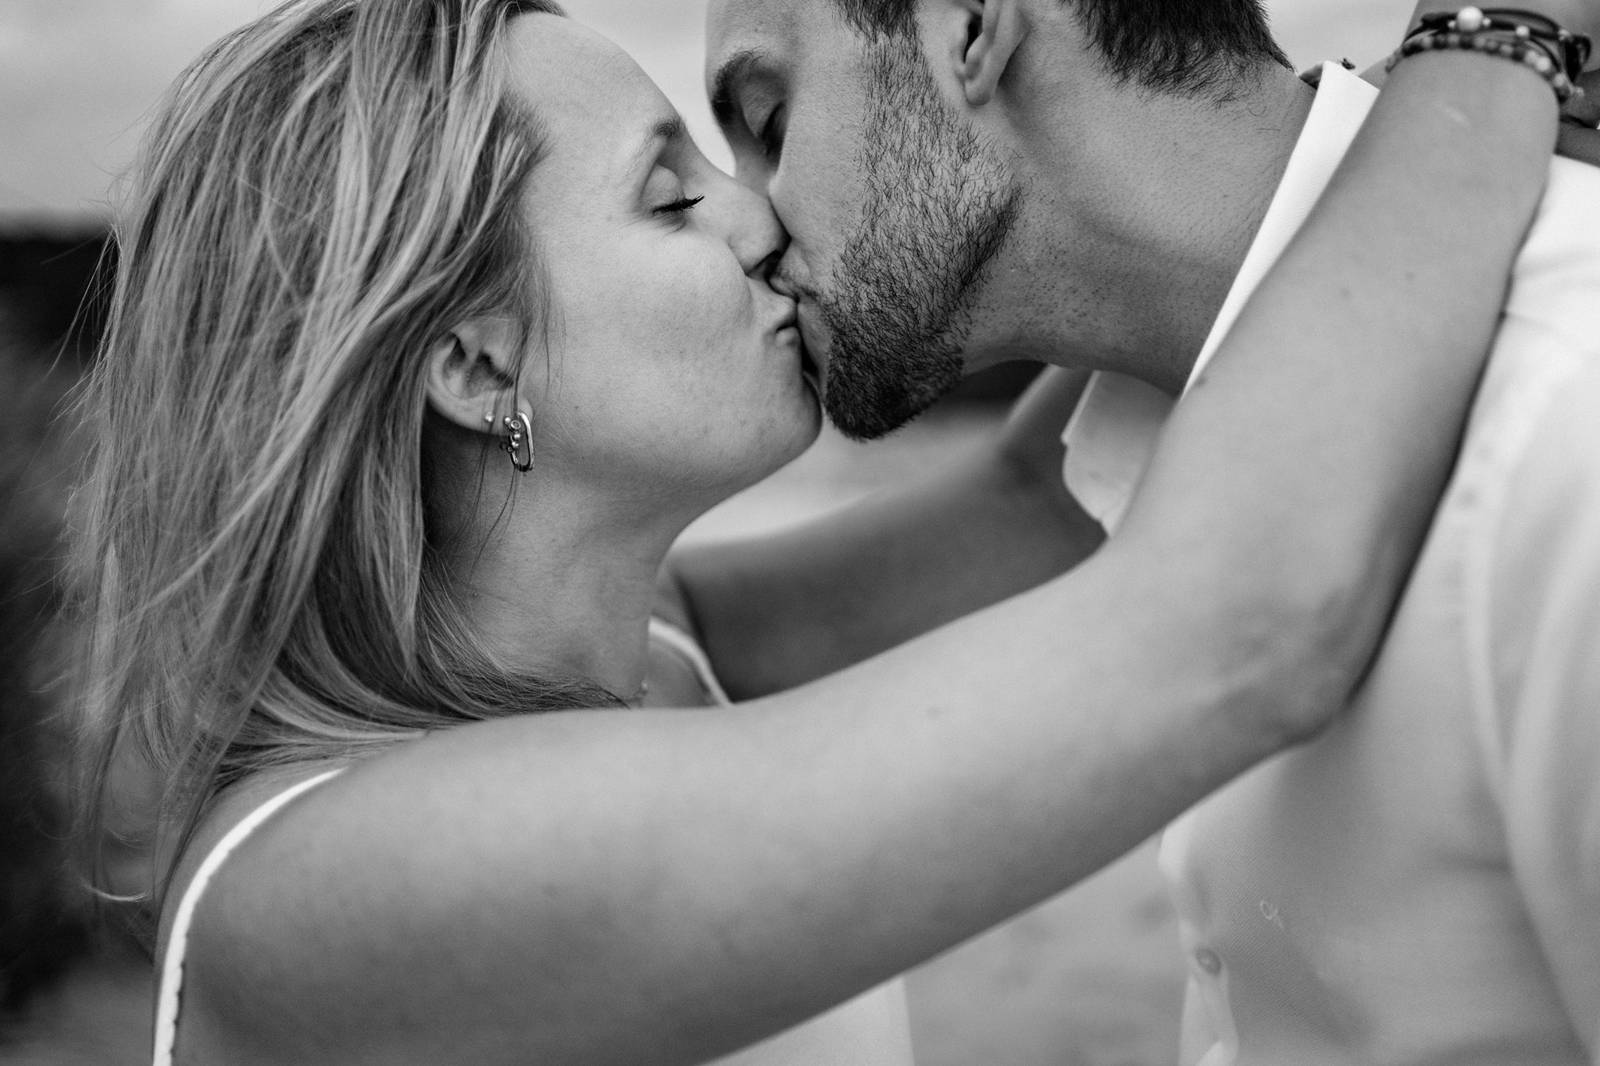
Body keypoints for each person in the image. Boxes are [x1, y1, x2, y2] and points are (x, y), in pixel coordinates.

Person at [71, 1, 1568, 1064]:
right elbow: (1225, 624)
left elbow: (1042, 499)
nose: (761, 219)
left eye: (755, 140)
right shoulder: (336, 886)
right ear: (473, 366)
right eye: (675, 194)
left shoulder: (649, 659)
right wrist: (1501, 43)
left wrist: (1129, 191)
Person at [704, 0, 1600, 1061]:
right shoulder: (1146, 428)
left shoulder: (1560, 426)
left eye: (768, 122)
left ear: (972, 26)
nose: (748, 230)